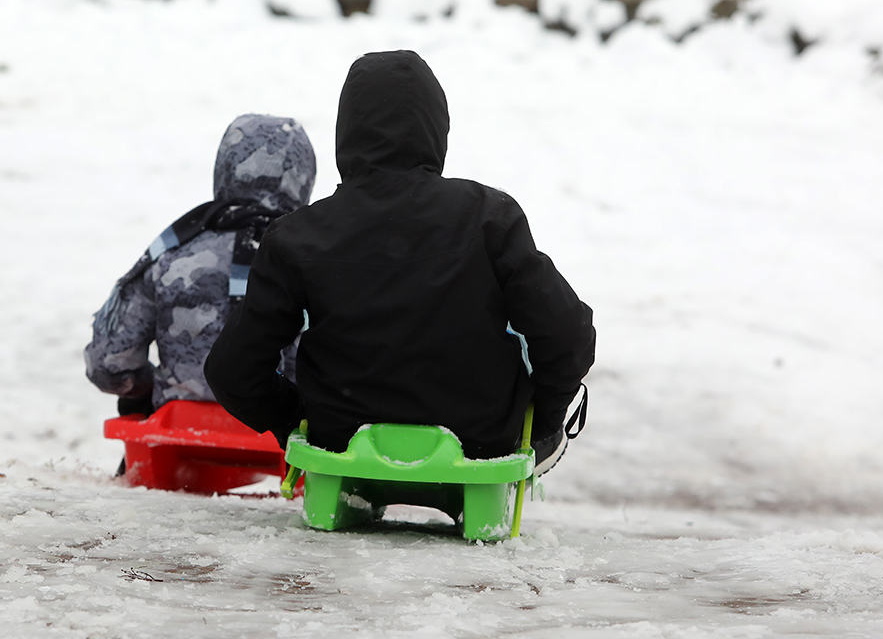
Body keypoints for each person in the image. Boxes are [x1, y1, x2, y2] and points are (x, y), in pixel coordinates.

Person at [204, 51, 595, 475]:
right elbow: (567, 335)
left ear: (347, 131)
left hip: (340, 441)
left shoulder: (298, 235)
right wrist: (546, 417)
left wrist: (293, 417)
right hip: (482, 443)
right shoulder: (489, 218)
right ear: (436, 128)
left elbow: (232, 368)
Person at [84, 114, 317, 419]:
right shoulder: (318, 261)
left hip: (178, 437)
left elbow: (108, 364)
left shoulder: (171, 251)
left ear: (225, 169)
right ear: (303, 177)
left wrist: (153, 388)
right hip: (280, 439)